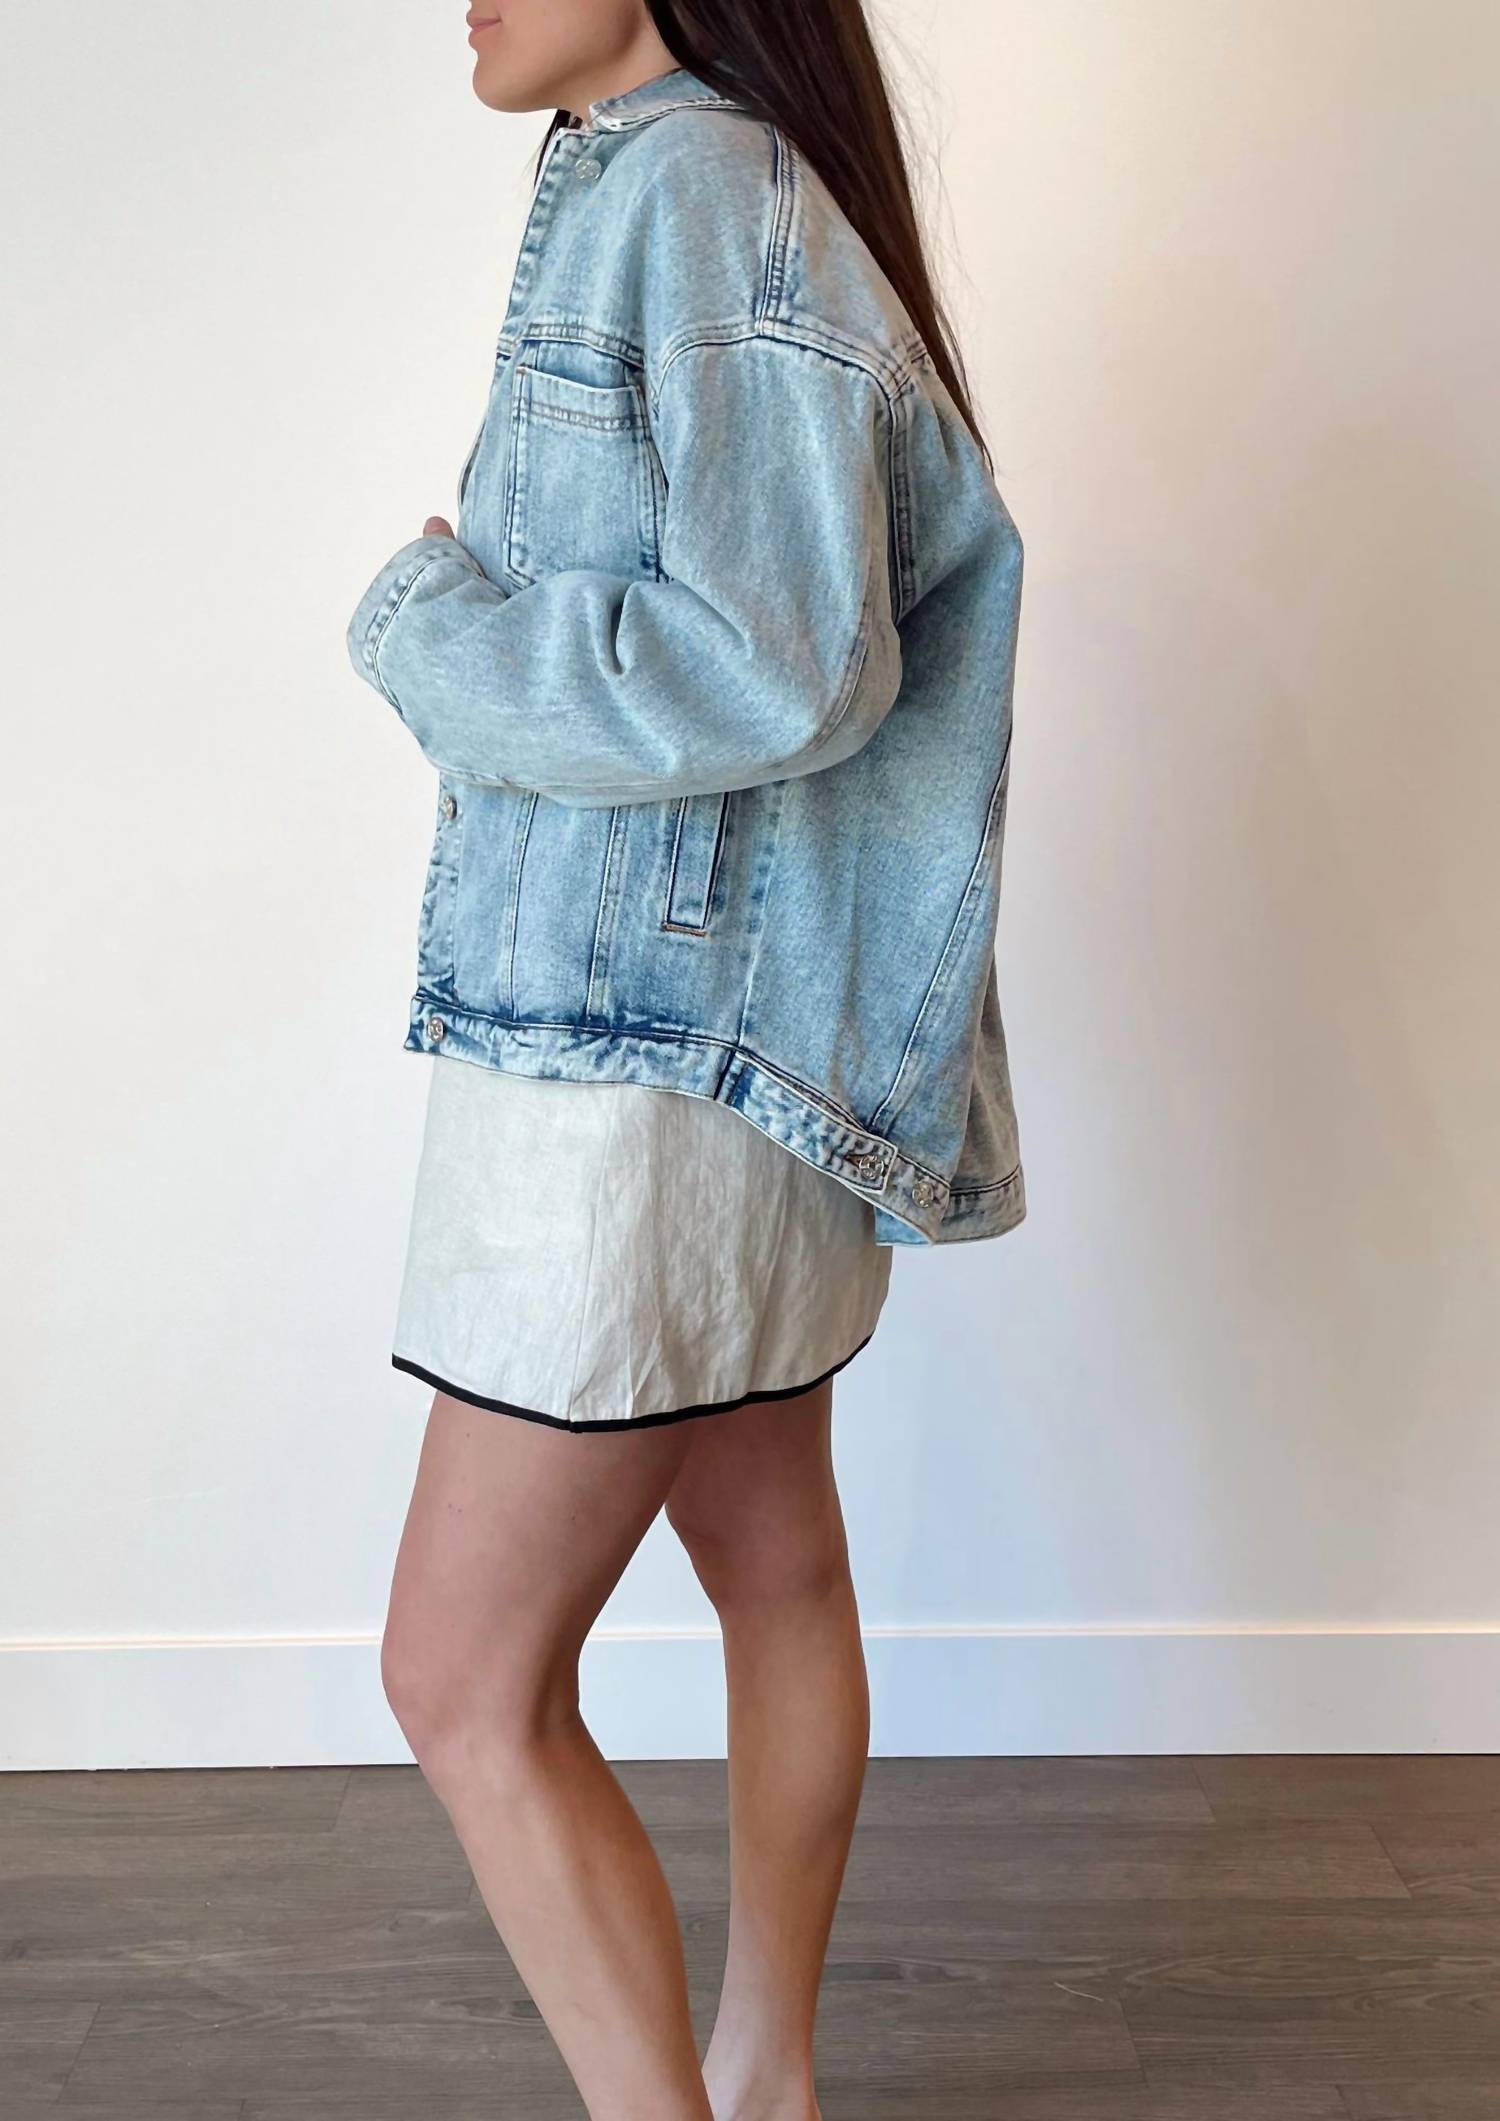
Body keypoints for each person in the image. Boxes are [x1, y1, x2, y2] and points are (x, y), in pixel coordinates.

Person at [343, 2, 1025, 2114]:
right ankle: (766, 2078)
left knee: (458, 1673)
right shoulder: (680, 179)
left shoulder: (705, 191)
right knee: (772, 1550)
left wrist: (430, 629)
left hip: (639, 1076)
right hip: (718, 1049)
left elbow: (776, 660)